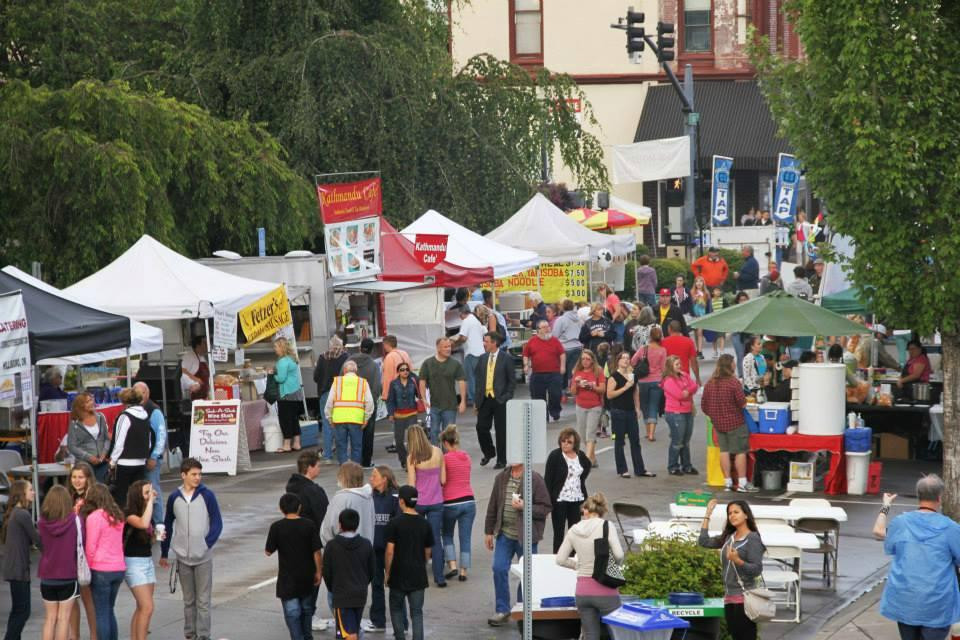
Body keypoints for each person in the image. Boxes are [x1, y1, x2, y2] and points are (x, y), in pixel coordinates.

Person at [872, 475, 960, 640]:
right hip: (937, 603)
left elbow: (878, 531)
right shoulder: (950, 528)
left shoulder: (901, 523)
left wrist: (886, 506)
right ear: (939, 497)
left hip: (906, 600)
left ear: (919, 496)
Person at [160, 458, 223, 640]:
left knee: (203, 601)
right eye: (194, 474)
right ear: (183, 475)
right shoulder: (174, 497)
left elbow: (217, 523)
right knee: (188, 601)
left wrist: (206, 544)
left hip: (203, 557)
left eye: (199, 474)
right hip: (183, 558)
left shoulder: (207, 495)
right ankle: (190, 635)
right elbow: (167, 524)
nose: (197, 477)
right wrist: (164, 552)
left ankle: (203, 636)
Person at [484, 463, 552, 627]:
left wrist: (524, 506)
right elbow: (493, 505)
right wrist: (488, 531)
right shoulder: (501, 477)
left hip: (527, 536)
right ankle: (502, 610)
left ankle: (522, 609)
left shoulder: (534, 479)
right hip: (504, 534)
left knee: (527, 574)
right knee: (499, 568)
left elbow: (545, 508)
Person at [316, 462, 376, 633]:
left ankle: (347, 632)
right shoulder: (368, 497)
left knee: (337, 600)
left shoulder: (341, 498)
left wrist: (330, 545)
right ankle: (353, 630)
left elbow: (328, 528)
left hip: (341, 552)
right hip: (363, 550)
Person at [555, 493, 624, 640]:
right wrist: (613, 566)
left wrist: (577, 566)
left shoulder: (573, 529)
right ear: (602, 510)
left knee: (590, 635)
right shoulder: (606, 526)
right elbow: (619, 555)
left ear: (586, 510)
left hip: (582, 591)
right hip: (605, 589)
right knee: (618, 633)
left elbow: (560, 559)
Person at [699, 499, 766, 640]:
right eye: (729, 513)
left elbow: (756, 569)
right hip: (729, 599)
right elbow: (703, 542)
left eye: (736, 512)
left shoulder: (752, 538)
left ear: (746, 515)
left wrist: (738, 560)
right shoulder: (729, 537)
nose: (732, 516)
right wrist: (708, 514)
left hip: (744, 600)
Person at [265, 493, 324, 640]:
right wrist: (319, 571)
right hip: (307, 576)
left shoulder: (276, 527)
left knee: (292, 612)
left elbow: (268, 551)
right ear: (299, 508)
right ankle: (307, 636)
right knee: (306, 609)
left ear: (281, 508)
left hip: (287, 578)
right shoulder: (309, 525)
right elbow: (317, 552)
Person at [701, 355, 758, 493]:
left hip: (718, 424)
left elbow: (704, 406)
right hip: (736, 423)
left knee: (724, 451)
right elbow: (742, 403)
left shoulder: (710, 383)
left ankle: (727, 481)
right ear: (730, 365)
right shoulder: (733, 382)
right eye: (733, 363)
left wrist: (715, 416)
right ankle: (742, 482)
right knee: (740, 452)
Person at [384, 486, 434, 640]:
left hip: (398, 574)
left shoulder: (394, 523)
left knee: (396, 609)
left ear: (401, 501)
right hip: (418, 575)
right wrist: (422, 563)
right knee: (417, 612)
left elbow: (390, 551)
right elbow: (428, 550)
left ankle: (400, 637)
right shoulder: (425, 523)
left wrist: (387, 573)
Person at [322, 509, 375, 640]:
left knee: (348, 634)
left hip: (341, 595)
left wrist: (333, 588)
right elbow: (372, 571)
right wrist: (362, 583)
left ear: (340, 524)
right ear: (357, 524)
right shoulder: (366, 544)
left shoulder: (332, 546)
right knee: (353, 629)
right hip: (360, 594)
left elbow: (327, 572)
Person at [81, 484, 126, 640]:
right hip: (118, 568)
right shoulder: (118, 516)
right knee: (109, 609)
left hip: (100, 569)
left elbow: (90, 547)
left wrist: (86, 568)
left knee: (101, 612)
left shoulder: (94, 517)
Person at [406, 425, 447, 588]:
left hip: (419, 503)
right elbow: (443, 480)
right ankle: (439, 577)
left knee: (417, 539)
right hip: (436, 501)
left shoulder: (412, 458)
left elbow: (411, 484)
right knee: (436, 539)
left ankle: (418, 574)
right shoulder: (438, 452)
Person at [38, 485, 79, 640]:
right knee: (63, 619)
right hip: (68, 574)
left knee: (50, 619)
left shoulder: (42, 523)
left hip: (47, 575)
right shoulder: (74, 520)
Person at [606, 351, 654, 479]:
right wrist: (625, 387)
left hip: (630, 411)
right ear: (618, 361)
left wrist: (638, 408)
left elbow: (635, 392)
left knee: (635, 440)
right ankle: (622, 469)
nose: (626, 360)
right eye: (623, 358)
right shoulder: (614, 377)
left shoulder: (632, 376)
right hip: (618, 411)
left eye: (628, 358)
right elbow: (609, 395)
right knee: (619, 441)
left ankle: (640, 469)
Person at [544, 428, 592, 553]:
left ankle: (573, 558)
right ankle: (558, 557)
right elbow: (548, 480)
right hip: (559, 501)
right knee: (559, 533)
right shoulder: (555, 456)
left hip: (576, 500)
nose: (565, 444)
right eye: (563, 441)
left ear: (574, 444)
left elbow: (587, 466)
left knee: (575, 532)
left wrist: (580, 481)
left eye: (569, 442)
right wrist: (547, 503)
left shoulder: (580, 455)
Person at [1, 480, 39, 640]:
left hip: (14, 567)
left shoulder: (16, 513)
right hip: (18, 568)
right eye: (30, 489)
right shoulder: (23, 514)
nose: (34, 492)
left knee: (18, 610)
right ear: (21, 493)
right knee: (23, 611)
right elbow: (36, 539)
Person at [474, 332, 516, 469]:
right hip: (485, 399)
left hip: (500, 399)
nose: (484, 344)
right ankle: (489, 452)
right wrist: (477, 402)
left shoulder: (506, 358)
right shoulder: (482, 358)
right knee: (481, 427)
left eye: (486, 341)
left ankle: (501, 460)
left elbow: (512, 380)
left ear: (494, 343)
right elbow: (478, 381)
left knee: (501, 431)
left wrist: (507, 396)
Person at [123, 481, 159, 640]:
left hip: (147, 561)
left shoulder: (148, 512)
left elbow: (146, 535)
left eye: (151, 491)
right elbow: (143, 524)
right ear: (138, 496)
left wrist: (156, 536)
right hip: (133, 563)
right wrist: (151, 502)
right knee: (147, 607)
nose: (152, 494)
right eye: (147, 492)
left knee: (141, 607)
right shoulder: (129, 513)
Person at [367, 466, 400, 634]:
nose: (371, 478)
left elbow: (399, 524)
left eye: (374, 476)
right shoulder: (369, 497)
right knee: (376, 586)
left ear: (384, 479)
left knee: (396, 587)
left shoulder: (395, 497)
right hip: (374, 549)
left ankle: (401, 624)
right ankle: (378, 621)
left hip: (392, 549)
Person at [439, 426, 474, 582]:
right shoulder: (467, 457)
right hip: (469, 500)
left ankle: (452, 565)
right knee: (465, 538)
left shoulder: (445, 459)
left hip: (450, 501)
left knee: (447, 534)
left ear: (446, 443)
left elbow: (443, 480)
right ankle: (463, 571)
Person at [67, 463, 97, 640]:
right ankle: (74, 636)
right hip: (69, 553)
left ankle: (94, 635)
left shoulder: (94, 498)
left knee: (88, 599)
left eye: (81, 477)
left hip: (87, 554)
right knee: (72, 599)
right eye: (74, 477)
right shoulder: (67, 497)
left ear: (88, 479)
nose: (77, 481)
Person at [325, 361, 375, 465]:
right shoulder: (362, 383)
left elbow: (329, 402)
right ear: (356, 371)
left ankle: (344, 469)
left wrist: (329, 418)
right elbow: (370, 402)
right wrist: (366, 418)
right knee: (356, 447)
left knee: (341, 446)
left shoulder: (337, 382)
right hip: (356, 419)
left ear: (344, 371)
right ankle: (355, 469)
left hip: (339, 419)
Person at [108, 387, 153, 505]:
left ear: (124, 401)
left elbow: (119, 442)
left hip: (125, 463)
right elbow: (149, 441)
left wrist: (112, 462)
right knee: (138, 498)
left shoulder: (125, 416)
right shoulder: (145, 415)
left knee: (121, 498)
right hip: (141, 462)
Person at [418, 337, 467, 442]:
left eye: (449, 346)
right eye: (445, 347)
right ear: (438, 348)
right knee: (434, 432)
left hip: (450, 406)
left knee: (449, 434)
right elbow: (422, 381)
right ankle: (435, 452)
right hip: (434, 406)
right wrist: (423, 398)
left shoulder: (455, 364)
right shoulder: (428, 363)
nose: (448, 349)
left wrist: (463, 401)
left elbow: (462, 381)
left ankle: (447, 453)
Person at [345, 338, 382, 468]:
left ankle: (352, 462)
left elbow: (340, 380)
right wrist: (373, 401)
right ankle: (366, 461)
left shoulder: (348, 362)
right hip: (367, 404)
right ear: (372, 350)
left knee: (352, 434)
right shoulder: (373, 365)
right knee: (368, 434)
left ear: (360, 347)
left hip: (349, 404)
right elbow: (377, 386)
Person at [134, 381, 167, 525]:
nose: (140, 396)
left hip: (151, 459)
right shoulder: (132, 409)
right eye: (137, 393)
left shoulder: (154, 411)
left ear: (148, 393)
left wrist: (154, 457)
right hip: (137, 459)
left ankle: (159, 525)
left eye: (143, 392)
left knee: (153, 491)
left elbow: (161, 435)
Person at [662, 355, 700, 476]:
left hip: (687, 410)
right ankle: (673, 466)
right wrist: (688, 391)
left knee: (686, 440)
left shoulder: (684, 375)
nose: (680, 366)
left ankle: (687, 465)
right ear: (670, 366)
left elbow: (695, 386)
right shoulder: (668, 380)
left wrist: (687, 391)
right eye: (676, 364)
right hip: (675, 413)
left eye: (680, 364)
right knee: (677, 441)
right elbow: (679, 395)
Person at [314, 336, 349, 464]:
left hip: (325, 393)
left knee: (326, 423)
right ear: (341, 345)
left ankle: (327, 456)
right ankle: (341, 454)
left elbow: (316, 377)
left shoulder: (322, 357)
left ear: (330, 345)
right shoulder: (345, 358)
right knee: (341, 423)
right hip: (340, 393)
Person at [523, 320, 566, 422]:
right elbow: (526, 354)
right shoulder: (532, 341)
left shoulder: (555, 340)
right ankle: (543, 416)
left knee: (555, 394)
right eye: (544, 327)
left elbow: (562, 354)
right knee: (538, 396)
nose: (547, 329)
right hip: (537, 373)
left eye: (548, 327)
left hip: (554, 373)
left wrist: (562, 366)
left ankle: (555, 411)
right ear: (538, 330)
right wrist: (526, 365)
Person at [569, 349, 605, 467]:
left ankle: (587, 460)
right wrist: (577, 383)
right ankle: (593, 458)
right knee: (582, 434)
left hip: (595, 406)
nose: (585, 361)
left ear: (592, 360)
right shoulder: (577, 371)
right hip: (580, 405)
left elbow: (602, 389)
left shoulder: (598, 371)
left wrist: (591, 386)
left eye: (588, 359)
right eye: (583, 359)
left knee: (590, 433)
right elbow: (573, 392)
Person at [66, 391, 110, 482]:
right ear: (80, 406)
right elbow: (71, 446)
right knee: (88, 487)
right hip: (85, 464)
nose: (92, 402)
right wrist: (88, 457)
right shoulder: (75, 423)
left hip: (102, 463)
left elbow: (106, 439)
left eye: (91, 400)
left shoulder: (100, 417)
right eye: (88, 401)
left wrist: (104, 454)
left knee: (101, 487)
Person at [633, 326, 667, 442]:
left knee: (645, 406)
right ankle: (652, 433)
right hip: (657, 381)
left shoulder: (643, 349)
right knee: (654, 406)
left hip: (643, 381)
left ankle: (648, 432)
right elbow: (663, 368)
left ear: (650, 336)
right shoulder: (662, 350)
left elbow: (633, 361)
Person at [272, 337, 305, 453]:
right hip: (296, 392)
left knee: (285, 420)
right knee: (294, 419)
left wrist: (272, 374)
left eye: (276, 347)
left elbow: (281, 379)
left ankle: (286, 445)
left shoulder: (282, 361)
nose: (275, 349)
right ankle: (297, 443)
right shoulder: (292, 359)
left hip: (286, 393)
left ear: (282, 347)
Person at [385, 360, 419, 469]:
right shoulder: (394, 383)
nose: (405, 371)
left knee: (412, 440)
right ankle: (403, 460)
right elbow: (390, 400)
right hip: (398, 415)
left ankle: (411, 461)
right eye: (402, 370)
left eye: (407, 369)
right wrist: (391, 414)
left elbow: (420, 393)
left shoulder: (413, 381)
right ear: (398, 372)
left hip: (412, 413)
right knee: (399, 441)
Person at [286, 450, 331, 530]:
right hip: (312, 532)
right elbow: (323, 516)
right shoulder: (314, 491)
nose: (319, 469)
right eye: (317, 466)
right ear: (310, 468)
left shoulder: (291, 487)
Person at [454, 306, 486, 406]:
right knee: (478, 377)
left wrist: (454, 344)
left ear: (461, 313)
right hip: (480, 352)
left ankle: (472, 398)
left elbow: (463, 338)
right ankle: (480, 397)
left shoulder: (466, 321)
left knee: (470, 377)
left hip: (471, 352)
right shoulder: (477, 321)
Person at [551, 299, 582, 395]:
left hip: (564, 348)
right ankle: (573, 390)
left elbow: (555, 335)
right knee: (573, 371)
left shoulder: (561, 319)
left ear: (563, 307)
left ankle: (563, 392)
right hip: (578, 347)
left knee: (562, 370)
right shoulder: (579, 319)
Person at [662, 320, 701, 385]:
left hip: (669, 377)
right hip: (684, 376)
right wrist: (697, 378)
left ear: (669, 329)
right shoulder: (689, 341)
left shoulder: (663, 342)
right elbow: (694, 362)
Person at [379, 335, 412, 406]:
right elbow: (410, 370)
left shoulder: (389, 357)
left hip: (396, 393)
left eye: (384, 345)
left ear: (387, 344)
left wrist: (385, 395)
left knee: (396, 412)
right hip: (408, 389)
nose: (384, 347)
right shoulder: (405, 353)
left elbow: (388, 378)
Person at [180, 336, 210, 400]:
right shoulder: (189, 356)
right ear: (198, 345)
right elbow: (181, 370)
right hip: (194, 398)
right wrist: (194, 378)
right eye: (204, 343)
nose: (207, 345)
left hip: (204, 397)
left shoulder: (202, 357)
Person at [690, 276, 713, 357]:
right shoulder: (692, 292)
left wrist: (709, 315)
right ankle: (697, 349)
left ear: (703, 283)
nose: (699, 283)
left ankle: (700, 351)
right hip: (694, 316)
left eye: (700, 281)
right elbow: (690, 305)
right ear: (695, 283)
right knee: (696, 333)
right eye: (697, 281)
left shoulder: (706, 293)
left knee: (700, 332)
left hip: (702, 316)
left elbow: (709, 306)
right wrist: (694, 299)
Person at [730, 292, 752, 376]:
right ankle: (741, 376)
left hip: (748, 334)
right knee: (740, 356)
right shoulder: (734, 310)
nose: (743, 301)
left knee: (749, 356)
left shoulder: (751, 309)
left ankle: (749, 375)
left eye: (744, 299)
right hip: (737, 334)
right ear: (738, 301)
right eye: (741, 300)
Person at [710, 288, 726, 358]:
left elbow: (727, 309)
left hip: (721, 320)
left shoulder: (723, 300)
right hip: (713, 321)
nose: (718, 292)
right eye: (716, 290)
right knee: (713, 337)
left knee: (722, 336)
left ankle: (722, 350)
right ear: (713, 292)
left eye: (719, 291)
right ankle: (715, 351)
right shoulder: (710, 301)